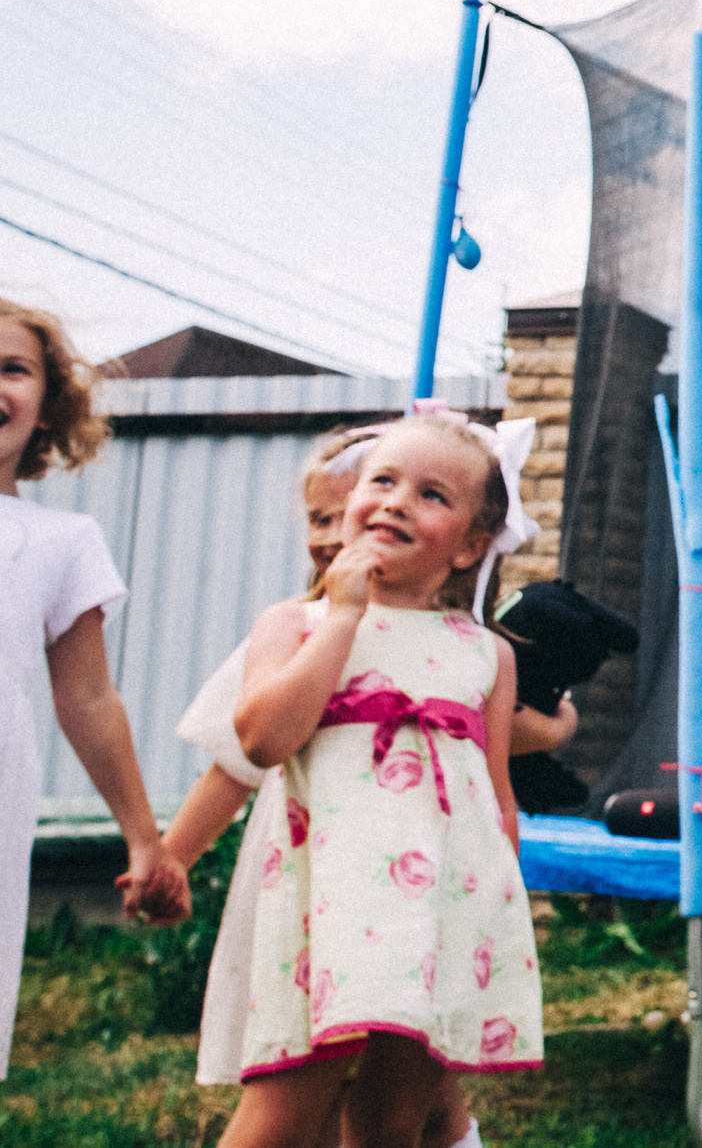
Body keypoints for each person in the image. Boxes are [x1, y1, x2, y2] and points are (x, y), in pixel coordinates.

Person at [167, 420, 559, 1148]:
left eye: (432, 493)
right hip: (324, 914)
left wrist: (496, 922)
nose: (397, 501)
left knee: (391, 1121)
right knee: (279, 1118)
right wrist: (345, 613)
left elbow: (495, 797)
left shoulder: (486, 656)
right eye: (383, 480)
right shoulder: (296, 624)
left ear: (472, 545)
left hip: (437, 917)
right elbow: (262, 738)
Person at [0, 298, 189, 1079]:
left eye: (13, 368)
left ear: (48, 408)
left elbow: (88, 699)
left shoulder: (59, 542)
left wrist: (145, 838)